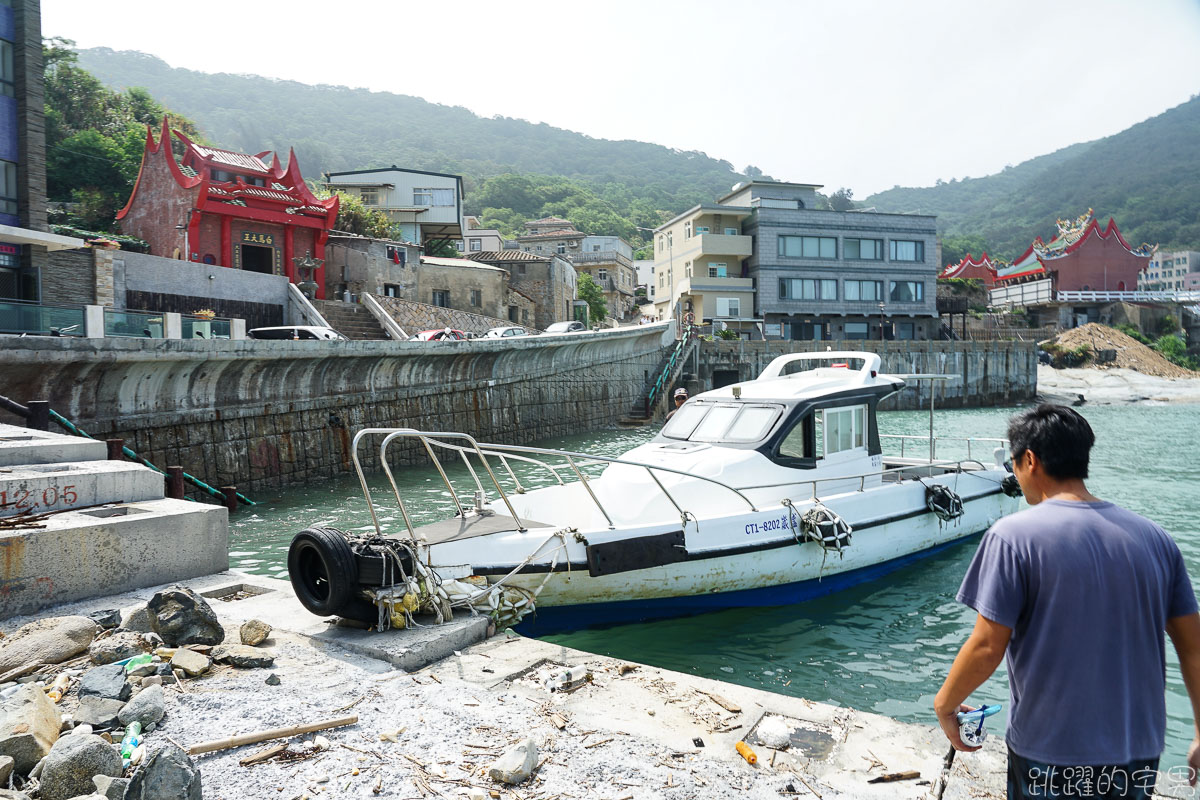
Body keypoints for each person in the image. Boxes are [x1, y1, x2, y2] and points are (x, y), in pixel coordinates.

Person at [934, 404, 1200, 798]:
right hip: (1137, 751)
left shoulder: (1012, 536)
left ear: (1029, 460)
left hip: (1049, 752)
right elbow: (1193, 648)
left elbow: (988, 646)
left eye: (1014, 464)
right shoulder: (1156, 539)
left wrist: (946, 705)